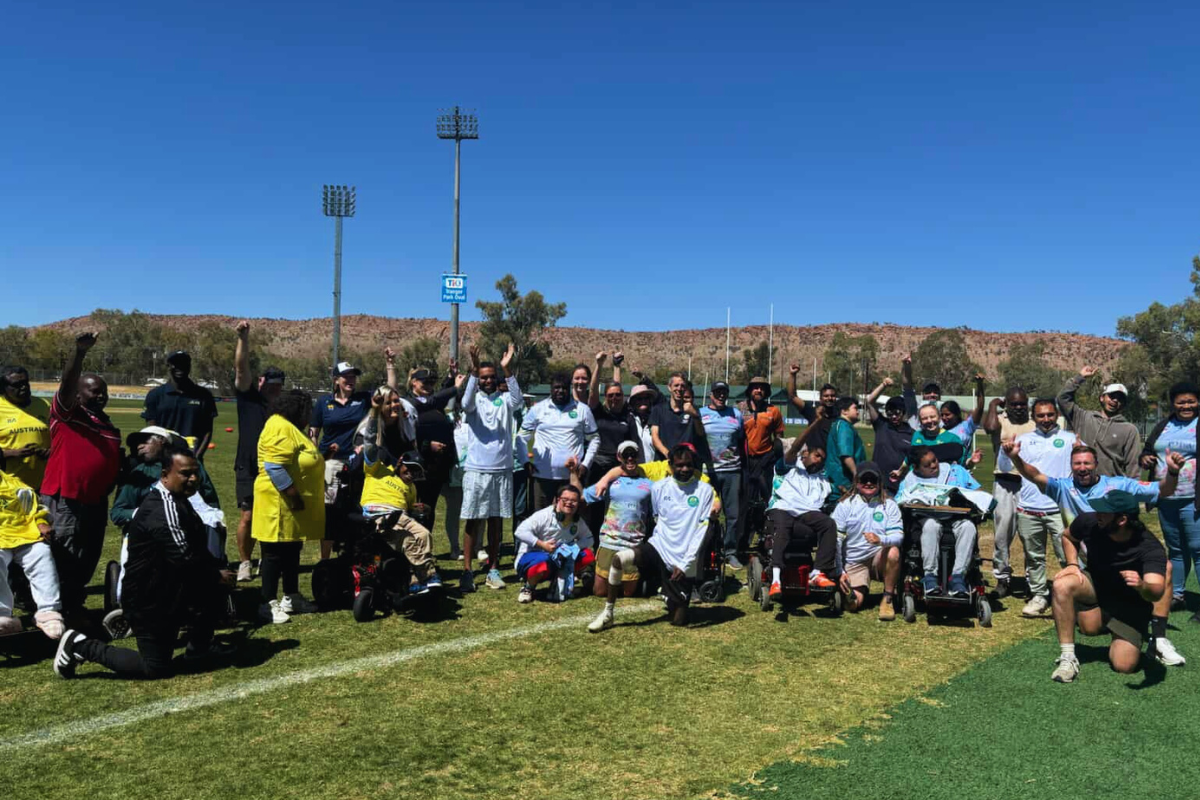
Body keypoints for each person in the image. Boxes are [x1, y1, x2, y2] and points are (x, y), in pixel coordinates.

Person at [55, 445, 236, 680]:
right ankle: (80, 645)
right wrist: (215, 575)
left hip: (171, 589)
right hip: (149, 599)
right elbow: (183, 558)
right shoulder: (162, 509)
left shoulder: (181, 499)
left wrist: (217, 572)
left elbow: (196, 551)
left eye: (195, 473)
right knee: (155, 667)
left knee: (212, 584)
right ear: (164, 476)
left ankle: (198, 647)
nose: (192, 479)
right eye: (185, 473)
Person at [1007, 441, 1186, 667]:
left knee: (1164, 569)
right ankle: (1072, 649)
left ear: (1096, 465)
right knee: (1084, 621)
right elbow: (1035, 475)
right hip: (1091, 559)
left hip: (1126, 556)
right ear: (1071, 466)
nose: (1082, 467)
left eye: (1087, 463)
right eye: (1077, 463)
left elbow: (1163, 490)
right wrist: (1015, 458)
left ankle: (1158, 638)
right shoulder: (1063, 487)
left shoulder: (1119, 486)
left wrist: (1172, 471)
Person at [588, 444, 716, 631]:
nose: (685, 469)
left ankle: (669, 592)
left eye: (689, 465)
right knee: (619, 559)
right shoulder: (659, 488)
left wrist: (686, 563)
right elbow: (657, 517)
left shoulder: (704, 491)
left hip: (683, 557)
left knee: (679, 620)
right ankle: (608, 613)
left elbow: (701, 531)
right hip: (659, 547)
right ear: (670, 465)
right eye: (679, 465)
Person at [41, 332, 121, 617]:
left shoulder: (109, 426)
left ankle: (74, 603)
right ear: (78, 394)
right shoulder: (68, 414)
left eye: (103, 391)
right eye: (93, 391)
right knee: (63, 555)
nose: (100, 395)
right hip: (66, 499)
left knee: (88, 556)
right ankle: (58, 610)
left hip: (95, 501)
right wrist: (79, 352)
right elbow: (66, 383)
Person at [1049, 501, 1168, 683]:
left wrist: (1142, 585)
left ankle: (1137, 635)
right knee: (1062, 585)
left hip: (1129, 604)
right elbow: (1067, 536)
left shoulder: (1149, 547)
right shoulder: (1089, 522)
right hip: (1096, 586)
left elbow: (1156, 591)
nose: (1098, 515)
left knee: (1124, 666)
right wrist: (1072, 564)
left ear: (1121, 520)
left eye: (1104, 512)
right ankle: (1067, 658)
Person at [255, 389, 325, 624]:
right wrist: (293, 496)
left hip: (291, 505)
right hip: (279, 502)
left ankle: (291, 596)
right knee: (273, 553)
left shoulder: (290, 427)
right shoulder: (279, 426)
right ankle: (267, 603)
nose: (309, 415)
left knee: (292, 550)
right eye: (308, 410)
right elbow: (275, 467)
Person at [460, 343, 521, 593]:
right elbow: (464, 403)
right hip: (476, 469)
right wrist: (473, 372)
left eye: (490, 377)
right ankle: (466, 571)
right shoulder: (474, 400)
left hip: (502, 470)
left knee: (496, 522)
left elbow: (517, 400)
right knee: (473, 520)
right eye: (483, 378)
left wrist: (507, 369)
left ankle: (493, 569)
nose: (487, 381)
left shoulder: (505, 400)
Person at [1008, 399, 1077, 617]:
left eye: (1049, 414)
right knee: (1034, 556)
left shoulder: (1070, 440)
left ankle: (1075, 596)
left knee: (1067, 556)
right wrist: (1010, 452)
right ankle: (1039, 595)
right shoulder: (1023, 440)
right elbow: (1007, 467)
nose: (1045, 419)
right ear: (1033, 416)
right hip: (1029, 508)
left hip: (1059, 509)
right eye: (1040, 415)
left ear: (1056, 414)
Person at [358, 425, 443, 593]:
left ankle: (417, 579)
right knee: (408, 541)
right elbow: (369, 445)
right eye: (409, 468)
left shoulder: (411, 488)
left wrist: (421, 508)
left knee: (425, 535)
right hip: (379, 514)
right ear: (400, 462)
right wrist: (374, 415)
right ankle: (426, 575)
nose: (411, 474)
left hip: (401, 515)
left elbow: (411, 508)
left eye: (416, 472)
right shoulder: (377, 470)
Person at [232, 320, 286, 582]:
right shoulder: (249, 398)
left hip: (274, 468)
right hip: (248, 465)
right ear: (261, 381)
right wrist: (243, 338)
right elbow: (241, 369)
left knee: (272, 516)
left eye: (279, 385)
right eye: (270, 383)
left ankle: (268, 558)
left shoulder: (283, 408)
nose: (274, 388)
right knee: (248, 516)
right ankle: (244, 562)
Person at [1139, 382, 1199, 609]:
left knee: (1198, 549)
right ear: (1172, 403)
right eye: (1181, 401)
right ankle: (1178, 595)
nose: (1186, 405)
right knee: (1175, 549)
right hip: (1166, 498)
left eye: (1191, 401)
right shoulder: (1164, 424)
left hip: (1194, 498)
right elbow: (1148, 449)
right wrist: (1144, 458)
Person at [389, 348, 463, 532]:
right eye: (424, 382)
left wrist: (450, 378)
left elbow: (436, 398)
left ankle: (425, 545)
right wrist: (427, 445)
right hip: (416, 463)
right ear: (413, 383)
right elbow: (410, 433)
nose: (429, 386)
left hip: (437, 466)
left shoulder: (432, 401)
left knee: (428, 506)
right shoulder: (408, 402)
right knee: (413, 505)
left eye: (432, 383)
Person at [895, 446, 981, 597]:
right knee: (931, 526)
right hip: (927, 518)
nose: (934, 466)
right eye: (927, 465)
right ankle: (930, 577)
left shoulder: (955, 471)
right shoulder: (910, 479)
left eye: (934, 461)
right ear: (916, 468)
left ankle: (958, 577)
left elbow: (978, 493)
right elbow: (899, 501)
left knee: (968, 527)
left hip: (957, 516)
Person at [765, 425, 837, 599]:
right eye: (816, 455)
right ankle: (776, 580)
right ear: (805, 454)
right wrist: (817, 422)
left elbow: (833, 495)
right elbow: (796, 446)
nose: (820, 460)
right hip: (782, 507)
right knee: (784, 527)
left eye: (822, 458)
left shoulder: (820, 478)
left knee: (828, 524)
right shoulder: (788, 466)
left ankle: (818, 573)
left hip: (805, 513)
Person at [308, 361, 371, 559]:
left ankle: (353, 554)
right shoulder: (323, 403)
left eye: (353, 376)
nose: (351, 380)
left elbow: (390, 390)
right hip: (331, 464)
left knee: (356, 507)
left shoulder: (364, 399)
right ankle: (325, 559)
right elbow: (313, 432)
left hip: (357, 462)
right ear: (336, 380)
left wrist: (390, 365)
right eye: (346, 376)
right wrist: (316, 457)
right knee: (330, 511)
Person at [581, 441, 653, 599]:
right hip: (609, 541)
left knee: (628, 594)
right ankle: (590, 573)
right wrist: (573, 475)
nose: (630, 459)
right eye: (626, 455)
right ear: (619, 457)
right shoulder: (609, 482)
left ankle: (640, 579)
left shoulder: (649, 484)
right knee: (600, 592)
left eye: (633, 455)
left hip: (633, 543)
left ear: (638, 456)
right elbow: (582, 497)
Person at [982, 386, 1035, 598]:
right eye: (1014, 404)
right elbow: (989, 427)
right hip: (1004, 482)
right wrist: (994, 404)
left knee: (1030, 535)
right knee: (1002, 534)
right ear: (1007, 404)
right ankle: (1002, 578)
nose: (1019, 407)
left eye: (1022, 403)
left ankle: (1033, 580)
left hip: (1029, 484)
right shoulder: (1001, 420)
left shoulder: (1034, 423)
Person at [0, 468, 64, 639]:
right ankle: (2, 615)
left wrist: (41, 521)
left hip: (23, 534)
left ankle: (48, 613)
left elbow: (36, 508)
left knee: (41, 553)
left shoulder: (15, 484)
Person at [833, 462, 903, 620]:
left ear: (880, 483)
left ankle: (887, 598)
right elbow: (836, 541)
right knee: (854, 605)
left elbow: (898, 536)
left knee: (893, 551)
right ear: (857, 482)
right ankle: (849, 592)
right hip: (854, 561)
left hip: (879, 557)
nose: (869, 483)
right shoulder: (845, 505)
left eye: (873, 480)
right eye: (864, 480)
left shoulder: (890, 505)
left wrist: (881, 540)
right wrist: (840, 571)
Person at [522, 373, 599, 511]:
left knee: (570, 519)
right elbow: (521, 437)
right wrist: (525, 462)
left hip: (571, 476)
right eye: (556, 387)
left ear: (569, 389)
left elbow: (595, 439)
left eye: (564, 388)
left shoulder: (582, 409)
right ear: (550, 389)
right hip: (542, 476)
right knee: (541, 519)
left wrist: (586, 465)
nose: (560, 391)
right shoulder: (537, 409)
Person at [514, 484, 595, 604]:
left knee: (587, 555)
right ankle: (528, 588)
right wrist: (542, 545)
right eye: (565, 500)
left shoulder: (577, 520)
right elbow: (519, 531)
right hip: (533, 557)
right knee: (543, 560)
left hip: (559, 560)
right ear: (557, 500)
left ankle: (558, 582)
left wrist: (573, 547)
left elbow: (589, 539)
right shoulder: (543, 515)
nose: (569, 503)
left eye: (573, 501)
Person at [1057, 366, 1141, 478]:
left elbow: (1133, 466)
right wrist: (1079, 377)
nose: (1115, 400)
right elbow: (1062, 399)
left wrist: (1133, 492)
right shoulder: (1084, 418)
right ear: (1102, 398)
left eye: (1120, 399)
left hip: (1111, 489)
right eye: (1111, 396)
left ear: (1123, 404)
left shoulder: (1129, 430)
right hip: (1081, 486)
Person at [585, 352, 633, 534]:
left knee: (617, 509)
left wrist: (617, 366)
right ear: (605, 397)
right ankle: (593, 546)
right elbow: (592, 390)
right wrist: (598, 364)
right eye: (610, 396)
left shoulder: (626, 414)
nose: (614, 398)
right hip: (598, 467)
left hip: (620, 468)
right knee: (595, 510)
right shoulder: (598, 412)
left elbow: (617, 386)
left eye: (618, 396)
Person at [702, 381, 745, 567]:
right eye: (717, 392)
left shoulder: (736, 414)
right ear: (711, 394)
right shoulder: (701, 413)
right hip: (708, 472)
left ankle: (730, 552)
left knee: (733, 515)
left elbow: (741, 440)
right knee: (706, 513)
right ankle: (707, 549)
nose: (721, 396)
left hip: (732, 471)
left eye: (724, 393)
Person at [142, 350, 218, 454]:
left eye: (183, 363)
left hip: (191, 456)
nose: (180, 367)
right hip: (163, 457)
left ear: (189, 366)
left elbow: (207, 431)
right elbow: (152, 430)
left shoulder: (204, 395)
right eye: (175, 364)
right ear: (168, 366)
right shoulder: (155, 395)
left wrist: (197, 457)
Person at [0, 365, 51, 491]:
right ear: (3, 388)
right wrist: (12, 453)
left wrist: (49, 451)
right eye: (17, 384)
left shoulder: (43, 405)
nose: (24, 387)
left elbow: (57, 436)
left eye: (26, 382)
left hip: (44, 486)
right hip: (9, 488)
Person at [863, 377, 914, 494]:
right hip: (878, 483)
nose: (893, 416)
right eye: (889, 413)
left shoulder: (912, 433)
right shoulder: (881, 425)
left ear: (903, 412)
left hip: (900, 485)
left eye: (897, 413)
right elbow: (869, 401)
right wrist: (883, 384)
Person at [649, 373, 710, 465]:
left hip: (685, 464)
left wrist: (695, 416)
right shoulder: (658, 409)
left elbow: (700, 433)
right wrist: (669, 455)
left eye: (682, 386)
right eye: (676, 385)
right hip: (663, 462)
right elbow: (655, 437)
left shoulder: (693, 409)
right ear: (669, 387)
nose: (679, 389)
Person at [825, 397, 867, 498]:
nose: (858, 412)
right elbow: (846, 454)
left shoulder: (840, 425)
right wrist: (857, 475)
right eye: (855, 408)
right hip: (843, 480)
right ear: (844, 411)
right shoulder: (844, 426)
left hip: (841, 479)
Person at [901, 353, 941, 430]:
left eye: (935, 392)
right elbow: (907, 386)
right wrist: (907, 367)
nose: (932, 394)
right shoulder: (915, 410)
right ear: (922, 394)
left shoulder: (944, 415)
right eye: (928, 392)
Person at [628, 384, 657, 463]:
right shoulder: (627, 420)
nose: (643, 401)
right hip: (632, 469)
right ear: (632, 401)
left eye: (646, 398)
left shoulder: (656, 420)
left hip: (653, 469)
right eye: (639, 399)